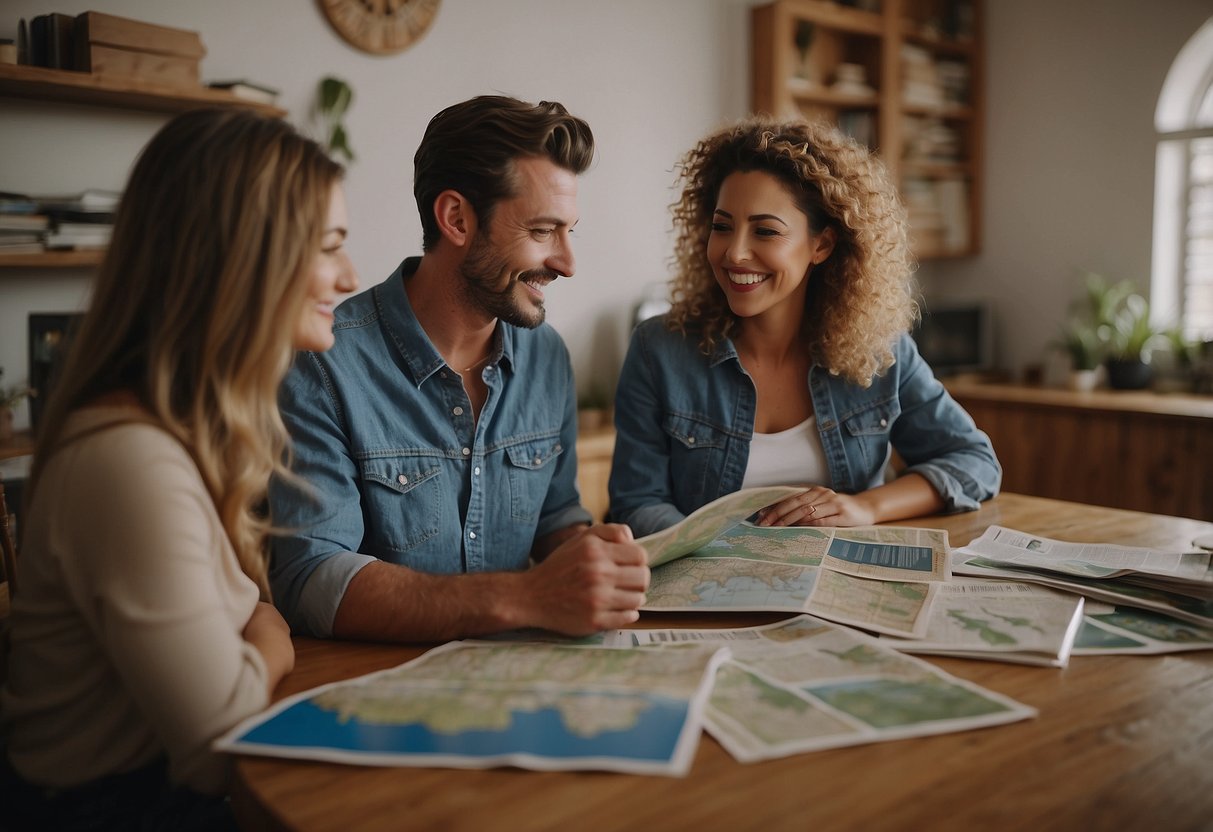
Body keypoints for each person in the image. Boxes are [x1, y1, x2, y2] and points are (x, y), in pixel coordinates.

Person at [0, 108, 358, 830]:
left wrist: (256, 634)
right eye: (328, 248)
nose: (350, 277)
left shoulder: (183, 435)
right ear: (241, 260)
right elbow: (219, 748)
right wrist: (268, 635)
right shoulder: (130, 462)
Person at [268, 95, 649, 643]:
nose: (567, 262)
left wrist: (592, 558)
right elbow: (313, 579)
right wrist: (523, 597)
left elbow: (553, 515)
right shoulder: (323, 364)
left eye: (571, 231)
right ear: (456, 219)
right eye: (543, 232)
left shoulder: (547, 356)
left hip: (520, 679)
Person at [608, 117, 1000, 537]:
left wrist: (864, 508)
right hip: (711, 589)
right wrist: (726, 554)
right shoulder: (659, 350)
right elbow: (637, 503)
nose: (735, 253)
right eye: (722, 227)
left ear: (822, 245)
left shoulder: (879, 349)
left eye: (765, 231)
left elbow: (974, 462)